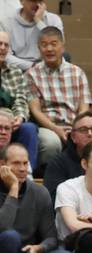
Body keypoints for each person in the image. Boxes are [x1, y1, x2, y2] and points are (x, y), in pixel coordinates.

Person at [0, 143, 76, 253]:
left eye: (25, 163)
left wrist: (38, 248)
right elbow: (3, 226)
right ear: (2, 165)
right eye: (16, 163)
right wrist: (13, 189)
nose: (22, 169)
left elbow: (51, 238)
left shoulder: (39, 193)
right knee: (10, 237)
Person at [26, 27, 92, 170]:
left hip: (75, 124)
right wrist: (56, 129)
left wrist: (77, 129)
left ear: (62, 46)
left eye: (54, 44)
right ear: (39, 48)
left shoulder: (77, 72)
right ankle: (49, 180)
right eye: (44, 45)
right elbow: (35, 110)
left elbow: (84, 107)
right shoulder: (31, 74)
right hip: (48, 126)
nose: (49, 48)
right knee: (51, 143)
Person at [0, 32, 38, 168]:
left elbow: (20, 100)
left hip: (11, 121)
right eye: (0, 44)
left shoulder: (16, 72)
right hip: (3, 119)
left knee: (29, 129)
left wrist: (19, 117)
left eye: (6, 45)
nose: (3, 48)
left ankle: (26, 175)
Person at [1, 0, 63, 71]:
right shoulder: (6, 22)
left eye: (40, 1)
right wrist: (33, 66)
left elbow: (59, 47)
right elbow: (5, 55)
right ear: (21, 1)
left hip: (46, 65)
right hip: (16, 68)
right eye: (33, 1)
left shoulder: (54, 20)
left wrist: (39, 22)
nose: (37, 4)